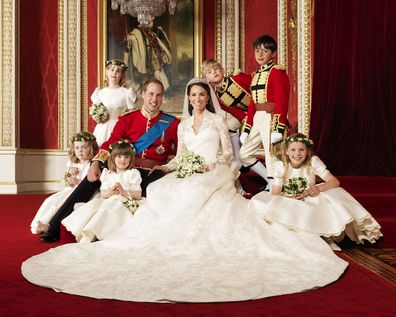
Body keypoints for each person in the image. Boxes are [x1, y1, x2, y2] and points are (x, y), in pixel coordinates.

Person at [22, 78, 348, 303]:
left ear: (206, 97)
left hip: (204, 171)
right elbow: (170, 154)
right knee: (146, 187)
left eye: (201, 96)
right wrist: (155, 165)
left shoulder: (196, 122)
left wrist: (199, 166)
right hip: (148, 165)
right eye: (192, 96)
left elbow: (222, 154)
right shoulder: (154, 122)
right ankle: (62, 226)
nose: (196, 100)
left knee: (179, 190)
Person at [39, 79, 179, 242]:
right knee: (92, 178)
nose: (154, 99)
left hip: (151, 173)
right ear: (143, 94)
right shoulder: (128, 119)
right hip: (124, 166)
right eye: (151, 94)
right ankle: (55, 227)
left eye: (159, 95)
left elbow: (180, 152)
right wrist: (95, 163)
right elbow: (109, 144)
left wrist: (166, 167)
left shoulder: (172, 123)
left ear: (163, 97)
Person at [249, 133, 383, 249]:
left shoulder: (313, 162)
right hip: (290, 197)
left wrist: (319, 188)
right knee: (268, 204)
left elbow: (334, 182)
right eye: (293, 150)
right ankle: (301, 238)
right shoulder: (281, 166)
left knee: (330, 197)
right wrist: (289, 197)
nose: (297, 154)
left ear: (307, 151)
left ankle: (325, 236)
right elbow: (276, 192)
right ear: (287, 151)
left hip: (310, 197)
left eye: (301, 150)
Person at [62, 140, 142, 243]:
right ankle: (89, 234)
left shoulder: (133, 174)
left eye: (126, 157)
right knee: (95, 208)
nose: (123, 160)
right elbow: (104, 194)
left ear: (131, 159)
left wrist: (123, 191)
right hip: (109, 199)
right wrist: (111, 192)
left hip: (126, 201)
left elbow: (138, 194)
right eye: (119, 156)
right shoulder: (108, 174)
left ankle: (99, 233)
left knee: (111, 209)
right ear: (113, 158)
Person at [239, 35, 290, 190]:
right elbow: (253, 103)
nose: (260, 55)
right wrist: (246, 128)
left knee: (271, 154)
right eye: (257, 51)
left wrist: (278, 127)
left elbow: (282, 100)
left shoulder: (277, 72)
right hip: (257, 118)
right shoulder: (256, 75)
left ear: (273, 54)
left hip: (271, 117)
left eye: (265, 51)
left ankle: (274, 186)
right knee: (244, 153)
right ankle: (269, 180)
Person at [30, 132, 99, 234]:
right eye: (77, 148)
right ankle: (41, 222)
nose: (80, 150)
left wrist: (77, 181)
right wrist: (68, 174)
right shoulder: (73, 164)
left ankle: (49, 224)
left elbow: (89, 185)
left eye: (84, 147)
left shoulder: (92, 165)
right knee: (50, 200)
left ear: (91, 148)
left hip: (79, 193)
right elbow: (65, 179)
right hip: (69, 190)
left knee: (60, 203)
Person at [201, 59, 251, 168]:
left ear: (222, 70)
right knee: (227, 127)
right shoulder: (218, 97)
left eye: (216, 69)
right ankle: (238, 160)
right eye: (209, 72)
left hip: (260, 109)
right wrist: (245, 120)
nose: (214, 72)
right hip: (247, 115)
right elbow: (236, 112)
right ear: (206, 79)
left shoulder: (237, 78)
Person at [90, 59, 137, 146]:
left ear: (121, 75)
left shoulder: (126, 93)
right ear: (107, 73)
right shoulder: (100, 93)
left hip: (119, 128)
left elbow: (131, 115)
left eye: (118, 71)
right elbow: (95, 111)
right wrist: (98, 118)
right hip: (102, 129)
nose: (114, 73)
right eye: (112, 70)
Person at [124, 23, 171, 94]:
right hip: (143, 55)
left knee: (158, 72)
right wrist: (130, 39)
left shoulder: (157, 29)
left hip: (154, 54)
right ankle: (143, 92)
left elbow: (162, 42)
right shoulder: (137, 31)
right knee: (143, 75)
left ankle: (163, 91)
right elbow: (133, 38)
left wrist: (161, 50)